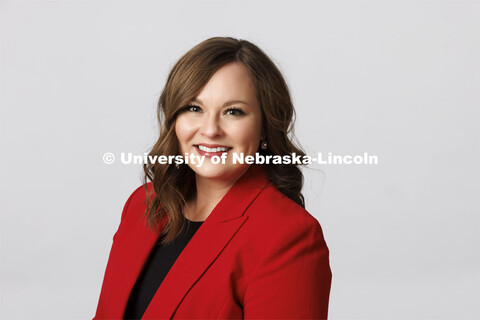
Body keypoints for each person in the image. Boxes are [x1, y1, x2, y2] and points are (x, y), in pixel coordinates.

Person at [93, 37, 332, 320]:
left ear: (265, 127)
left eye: (233, 112)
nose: (210, 130)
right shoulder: (142, 205)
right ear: (174, 118)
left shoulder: (289, 235)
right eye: (194, 108)